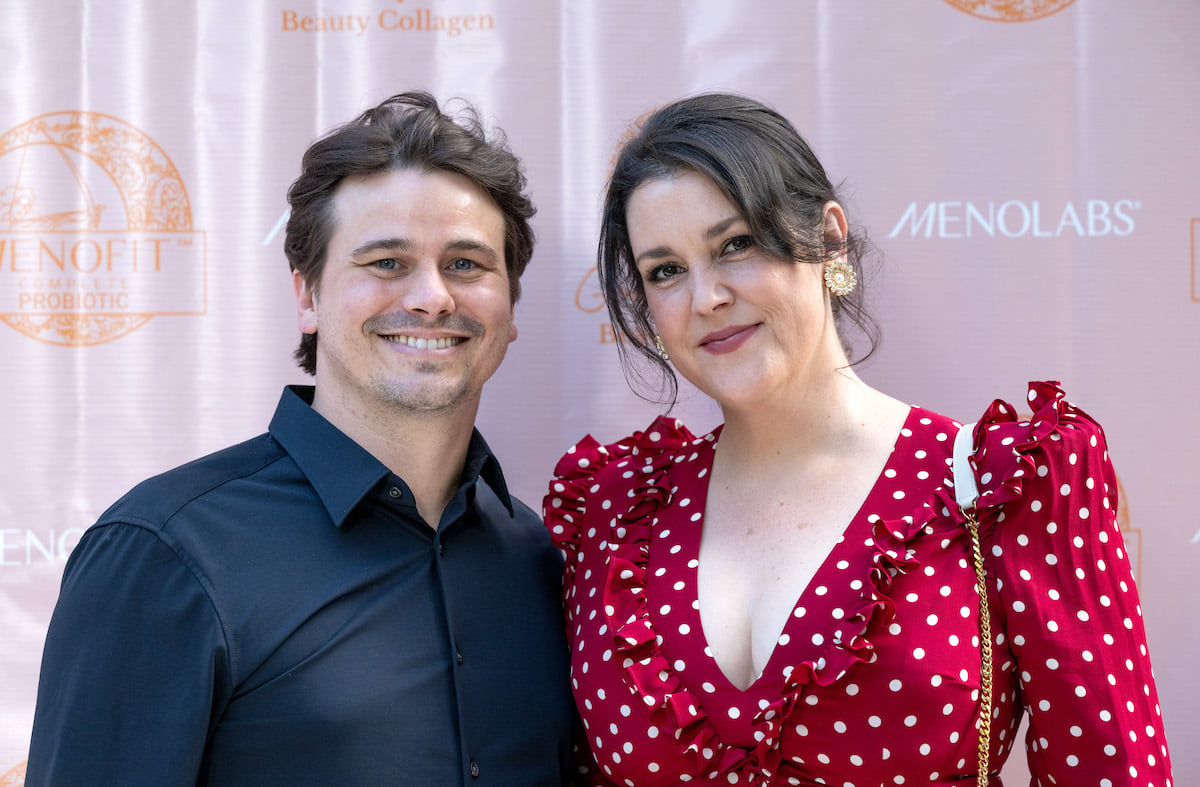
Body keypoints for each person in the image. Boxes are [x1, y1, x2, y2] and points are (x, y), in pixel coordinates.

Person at [544, 93, 1173, 785]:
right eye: (665, 270)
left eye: (737, 244)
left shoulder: (1006, 481)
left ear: (830, 240)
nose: (706, 296)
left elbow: (1112, 768)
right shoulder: (616, 510)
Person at [27, 91, 579, 785]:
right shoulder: (166, 554)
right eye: (386, 262)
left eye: (466, 264)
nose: (433, 296)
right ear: (307, 296)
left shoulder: (536, 556)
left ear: (510, 304)